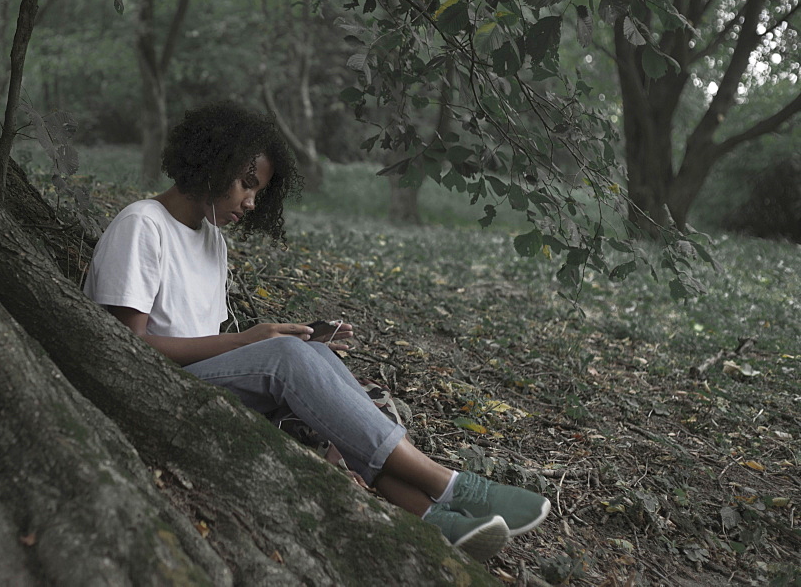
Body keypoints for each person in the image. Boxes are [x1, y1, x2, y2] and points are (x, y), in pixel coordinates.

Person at [83, 101, 550, 561]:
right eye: (246, 184)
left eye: (259, 192)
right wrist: (254, 342)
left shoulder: (211, 241)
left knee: (322, 371)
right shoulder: (142, 225)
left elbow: (208, 343)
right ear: (211, 163)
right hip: (151, 391)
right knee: (286, 356)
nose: (250, 202)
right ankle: (453, 486)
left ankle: (435, 520)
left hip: (202, 386)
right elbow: (126, 348)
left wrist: (301, 351)